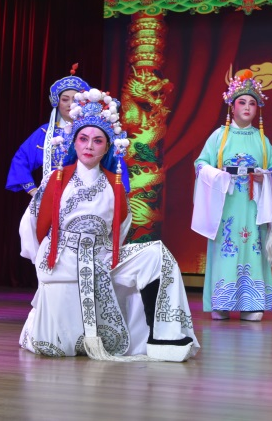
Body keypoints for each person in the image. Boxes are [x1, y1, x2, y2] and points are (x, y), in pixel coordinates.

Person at [19, 87, 198, 362]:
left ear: (107, 147)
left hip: (102, 259)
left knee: (156, 255)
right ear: (74, 143)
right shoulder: (56, 180)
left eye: (97, 141)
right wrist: (43, 263)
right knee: (56, 347)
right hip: (63, 260)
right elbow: (31, 224)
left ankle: (165, 337)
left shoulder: (114, 185)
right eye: (83, 139)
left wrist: (102, 256)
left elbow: (121, 229)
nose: (89, 146)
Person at [191, 70, 272, 322]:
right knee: (225, 249)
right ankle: (221, 303)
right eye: (242, 102)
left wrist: (264, 177)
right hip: (226, 203)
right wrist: (218, 176)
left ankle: (252, 303)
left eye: (252, 103)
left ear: (257, 109)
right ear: (232, 107)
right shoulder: (219, 137)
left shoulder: (261, 139)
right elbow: (201, 164)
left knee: (253, 247)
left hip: (252, 204)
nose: (247, 107)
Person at [7, 64, 130, 195]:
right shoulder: (45, 132)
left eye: (75, 99)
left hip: (90, 196)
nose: (70, 104)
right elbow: (21, 160)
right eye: (65, 99)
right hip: (53, 196)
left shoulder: (96, 131)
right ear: (57, 102)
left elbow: (117, 164)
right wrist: (33, 191)